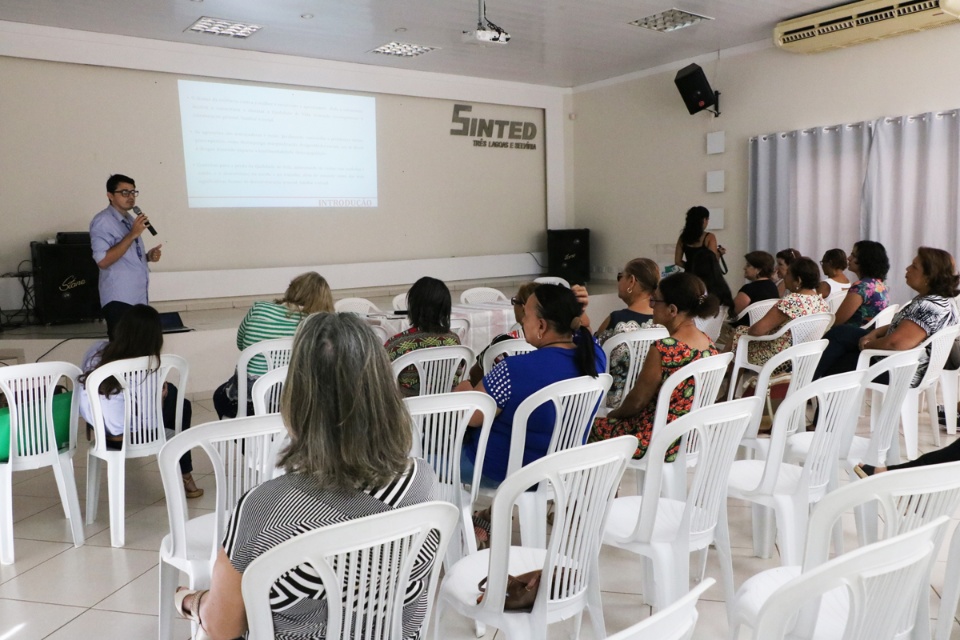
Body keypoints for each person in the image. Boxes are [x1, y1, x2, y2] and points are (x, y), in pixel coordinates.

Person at [174, 313, 440, 640]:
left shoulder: (264, 511)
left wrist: (191, 600)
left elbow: (222, 627)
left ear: (296, 397)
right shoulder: (422, 482)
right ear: (383, 391)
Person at [457, 283, 605, 488]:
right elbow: (584, 329)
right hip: (561, 470)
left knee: (423, 461)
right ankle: (491, 515)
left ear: (542, 326)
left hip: (501, 470)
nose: (523, 320)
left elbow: (472, 417)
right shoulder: (595, 358)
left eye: (526, 314)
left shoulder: (513, 369)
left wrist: (463, 387)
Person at [588, 272, 720, 461]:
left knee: (585, 429)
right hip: (689, 438)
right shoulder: (709, 345)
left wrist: (613, 414)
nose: (650, 305)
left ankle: (599, 490)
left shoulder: (664, 348)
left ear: (672, 310)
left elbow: (637, 401)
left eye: (655, 301)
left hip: (654, 440)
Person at [78, 304, 201, 498]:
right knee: (180, 402)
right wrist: (159, 395)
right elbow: (149, 417)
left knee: (171, 395)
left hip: (106, 433)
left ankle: (184, 473)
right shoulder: (150, 363)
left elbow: (85, 391)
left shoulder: (97, 351)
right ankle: (184, 474)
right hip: (140, 435)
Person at [814, 247, 959, 384]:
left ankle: (807, 387)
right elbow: (908, 326)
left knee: (837, 363)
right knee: (842, 333)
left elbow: (896, 344)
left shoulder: (928, 306)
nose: (907, 268)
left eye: (914, 266)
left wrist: (868, 345)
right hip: (905, 363)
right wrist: (875, 333)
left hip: (899, 369)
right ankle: (807, 382)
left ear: (929, 276)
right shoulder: (940, 301)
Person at [212, 272, 334, 419]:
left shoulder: (259, 308)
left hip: (246, 404)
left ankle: (248, 438)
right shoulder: (317, 326)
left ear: (292, 289)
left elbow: (241, 343)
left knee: (219, 396)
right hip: (292, 408)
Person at [90, 174, 162, 340]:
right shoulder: (103, 221)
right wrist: (132, 234)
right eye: (124, 192)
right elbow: (103, 260)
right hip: (119, 300)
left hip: (137, 299)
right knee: (123, 355)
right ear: (110, 195)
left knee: (140, 352)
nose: (130, 197)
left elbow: (126, 256)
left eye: (133, 192)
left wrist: (147, 257)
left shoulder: (130, 220)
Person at [729, 257, 829, 372]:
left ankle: (727, 384)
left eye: (788, 274)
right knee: (741, 337)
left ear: (798, 280)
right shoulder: (821, 303)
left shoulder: (792, 301)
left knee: (739, 335)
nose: (784, 277)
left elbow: (756, 331)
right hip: (803, 357)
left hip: (778, 358)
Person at [594, 258, 660, 408]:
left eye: (620, 277)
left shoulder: (616, 320)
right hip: (650, 403)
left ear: (631, 281)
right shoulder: (664, 323)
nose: (619, 282)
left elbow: (593, 356)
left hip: (612, 404)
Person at [385, 276, 460, 396]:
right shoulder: (454, 341)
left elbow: (383, 381)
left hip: (409, 410)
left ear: (413, 307)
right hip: (446, 410)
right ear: (445, 308)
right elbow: (458, 374)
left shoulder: (396, 345)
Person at [468, 281, 538, 385]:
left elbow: (475, 374)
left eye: (515, 301)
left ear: (524, 309)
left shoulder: (503, 341)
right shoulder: (556, 343)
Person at [832, 240, 890, 327]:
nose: (848, 258)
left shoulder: (861, 287)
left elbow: (837, 321)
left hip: (852, 337)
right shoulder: (880, 285)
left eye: (853, 255)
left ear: (865, 261)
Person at [731, 250, 780, 327]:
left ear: (758, 270)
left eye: (748, 265)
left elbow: (733, 311)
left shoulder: (749, 289)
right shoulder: (773, 287)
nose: (744, 268)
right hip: (764, 331)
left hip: (742, 331)